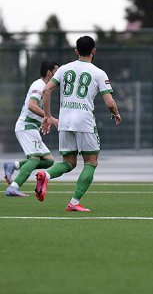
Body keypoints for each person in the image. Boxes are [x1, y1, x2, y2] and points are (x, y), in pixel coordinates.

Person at [35, 35, 121, 211]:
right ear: (94, 51)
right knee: (91, 162)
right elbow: (110, 103)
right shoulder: (98, 72)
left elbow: (46, 90)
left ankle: (46, 175)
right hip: (84, 121)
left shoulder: (64, 69)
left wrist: (48, 116)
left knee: (69, 162)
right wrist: (116, 114)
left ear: (76, 51)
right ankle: (74, 202)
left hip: (65, 121)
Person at [4, 61, 59, 196]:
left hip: (31, 127)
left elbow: (38, 111)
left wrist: (45, 121)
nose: (59, 75)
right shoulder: (39, 85)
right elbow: (32, 105)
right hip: (25, 126)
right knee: (34, 159)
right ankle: (13, 187)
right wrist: (49, 118)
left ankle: (14, 165)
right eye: (56, 71)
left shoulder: (46, 87)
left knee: (48, 161)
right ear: (49, 72)